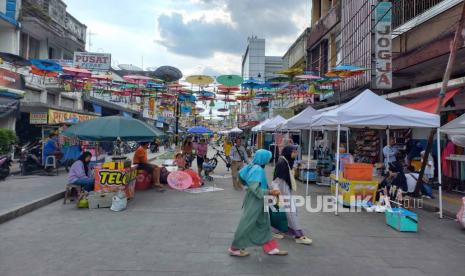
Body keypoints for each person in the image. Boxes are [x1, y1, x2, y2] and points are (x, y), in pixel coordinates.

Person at [229, 149, 288, 257]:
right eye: (268, 158)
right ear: (263, 158)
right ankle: (234, 248)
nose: (268, 160)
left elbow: (247, 181)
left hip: (259, 199)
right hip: (255, 200)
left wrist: (269, 191)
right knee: (247, 223)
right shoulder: (257, 169)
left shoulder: (254, 166)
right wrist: (270, 191)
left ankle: (271, 248)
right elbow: (254, 188)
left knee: (264, 223)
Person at [272, 146, 312, 245]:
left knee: (287, 212)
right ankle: (299, 235)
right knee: (292, 212)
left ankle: (279, 230)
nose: (296, 154)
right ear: (289, 152)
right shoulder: (282, 163)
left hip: (285, 192)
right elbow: (276, 181)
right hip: (283, 193)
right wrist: (278, 194)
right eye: (294, 152)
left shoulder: (285, 161)